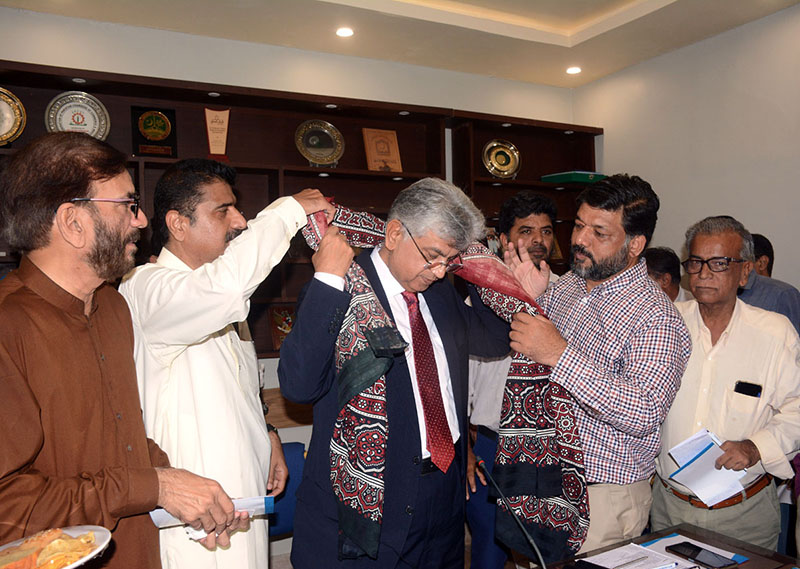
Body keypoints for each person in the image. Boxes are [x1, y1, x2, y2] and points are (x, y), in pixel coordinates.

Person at [0, 133, 243, 568]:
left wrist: (183, 494)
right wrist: (156, 487)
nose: (142, 220)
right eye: (128, 205)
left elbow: (122, 439)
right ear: (73, 223)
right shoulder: (8, 325)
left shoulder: (113, 305)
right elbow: (7, 509)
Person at [278, 178, 510, 568]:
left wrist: (487, 278)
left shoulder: (438, 294)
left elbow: (495, 340)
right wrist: (327, 281)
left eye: (449, 261)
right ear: (395, 231)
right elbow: (299, 386)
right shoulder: (342, 285)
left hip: (441, 499)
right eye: (432, 255)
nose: (438, 272)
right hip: (364, 505)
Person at [119, 159, 333, 569]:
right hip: (193, 522)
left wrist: (267, 432)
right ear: (178, 224)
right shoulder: (146, 288)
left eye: (237, 208)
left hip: (242, 502)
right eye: (223, 211)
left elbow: (236, 387)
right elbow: (222, 290)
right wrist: (287, 211)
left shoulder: (219, 298)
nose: (240, 221)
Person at [506, 173, 691, 553]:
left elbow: (644, 411)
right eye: (577, 225)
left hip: (603, 499)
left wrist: (560, 355)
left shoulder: (657, 317)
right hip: (540, 479)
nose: (578, 240)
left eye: (599, 233)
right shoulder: (565, 286)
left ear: (635, 244)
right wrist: (526, 300)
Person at [652, 216, 800, 549]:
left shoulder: (774, 333)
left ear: (745, 271)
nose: (703, 273)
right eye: (696, 262)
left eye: (719, 263)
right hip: (668, 506)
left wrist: (755, 447)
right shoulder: (666, 325)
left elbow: (797, 409)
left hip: (744, 512)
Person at [466, 191, 559, 569]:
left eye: (547, 231)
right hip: (490, 446)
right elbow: (454, 387)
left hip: (551, 448)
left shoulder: (566, 300)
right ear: (503, 241)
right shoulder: (480, 304)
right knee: (490, 552)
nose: (539, 240)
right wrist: (464, 453)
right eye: (526, 231)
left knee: (548, 552)